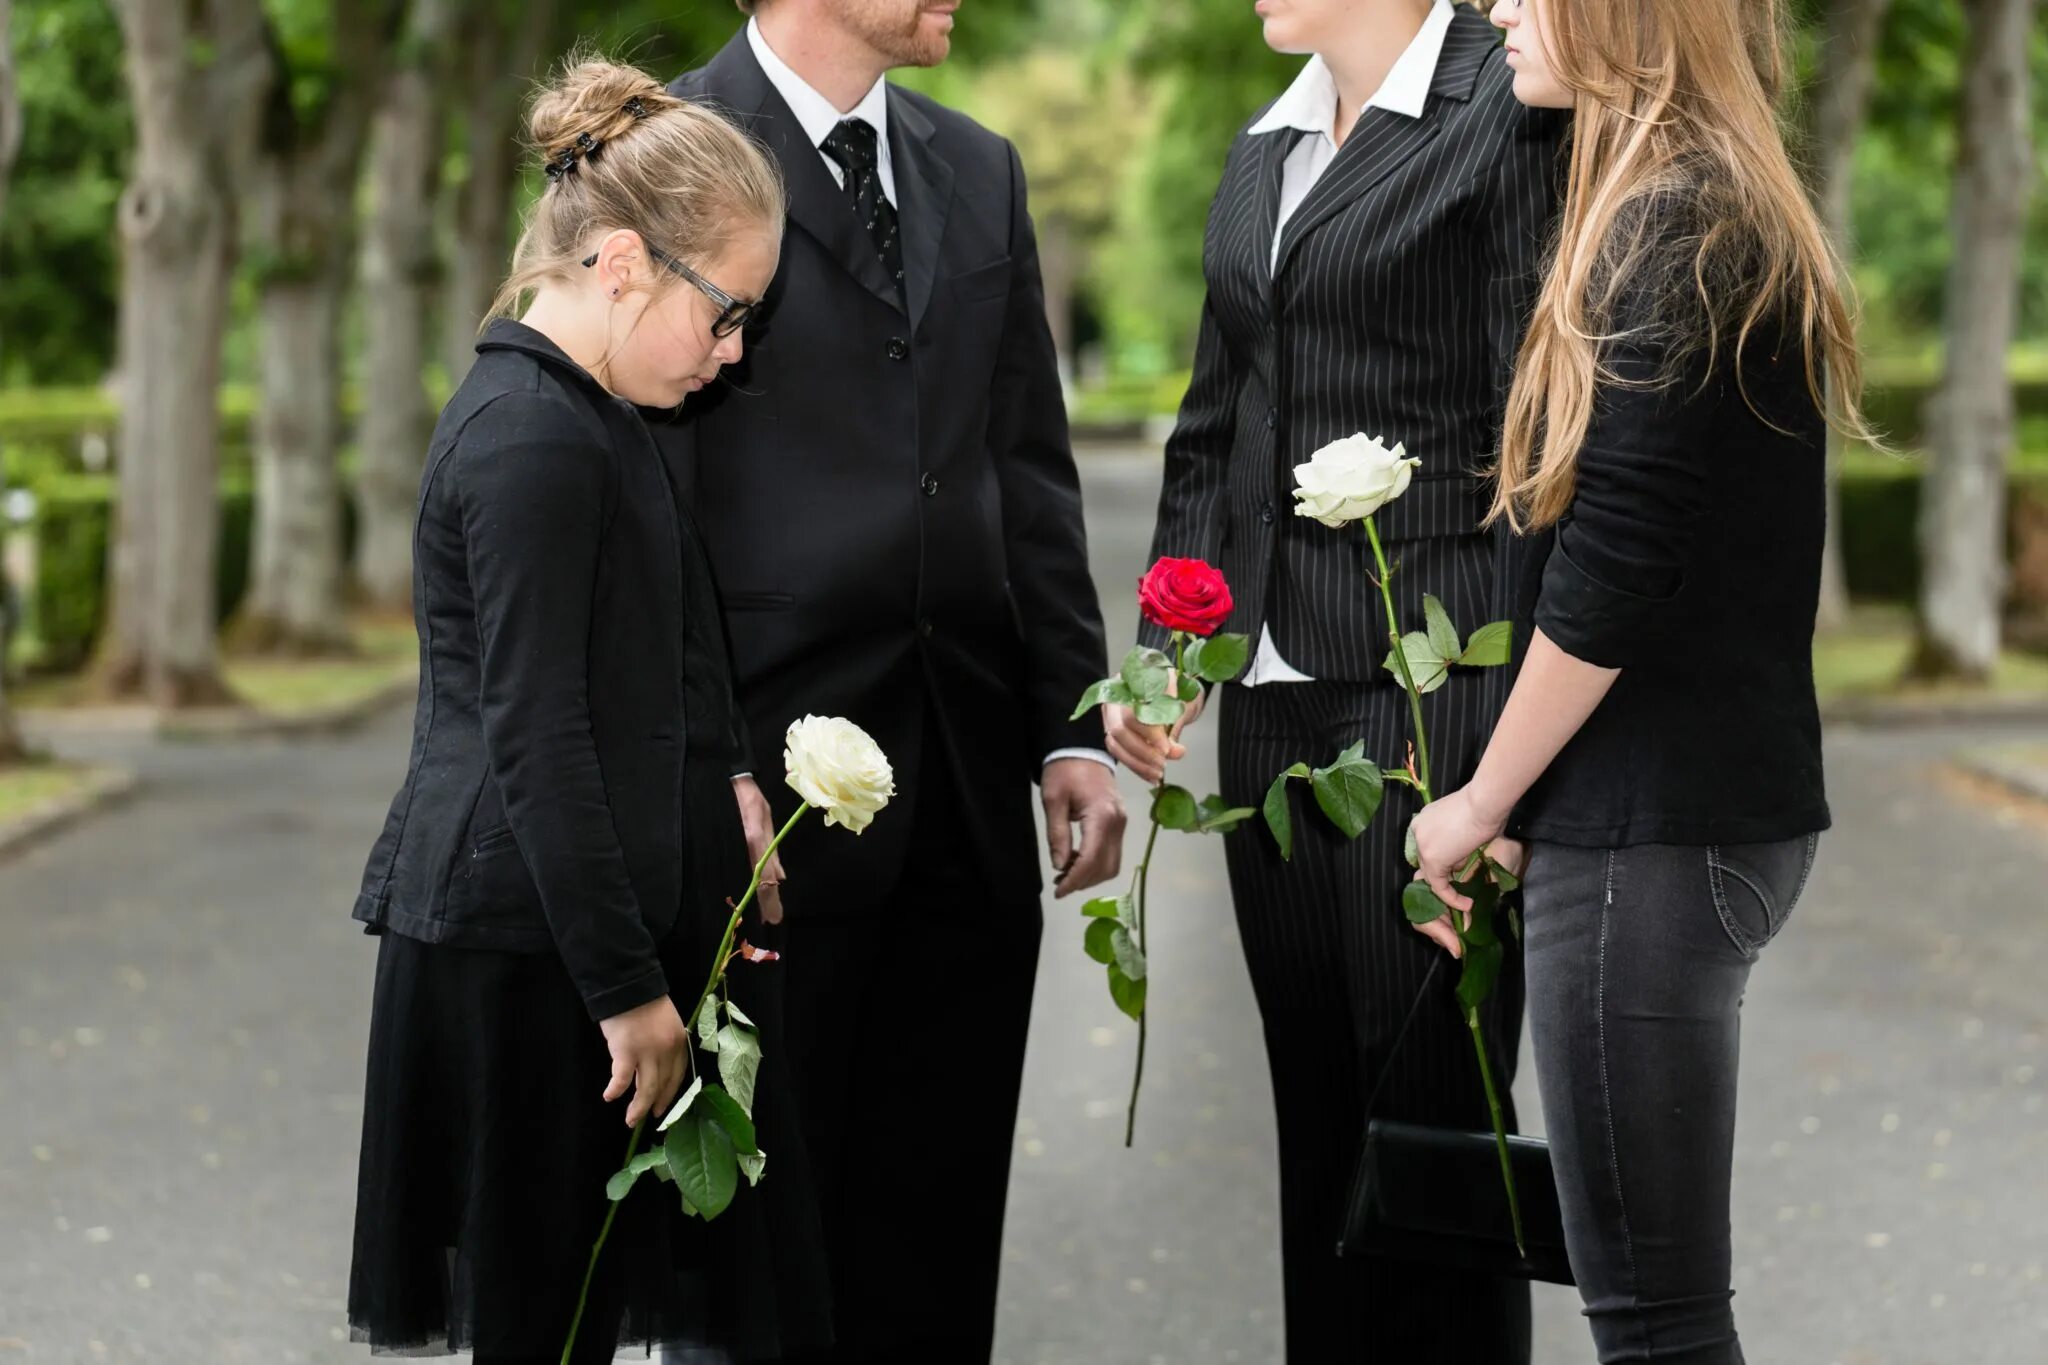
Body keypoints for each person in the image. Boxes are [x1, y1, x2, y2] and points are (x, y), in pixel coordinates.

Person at [1408, 0, 1875, 1359]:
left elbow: (1613, 572)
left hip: (1647, 840)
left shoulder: (1671, 225)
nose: (1493, 6)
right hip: (1703, 818)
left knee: (1656, 1320)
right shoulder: (1715, 206)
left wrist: (1484, 802)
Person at [346, 60, 832, 1364]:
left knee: (593, 1312)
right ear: (622, 261)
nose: (733, 353)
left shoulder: (598, 417)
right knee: (546, 1321)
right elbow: (538, 734)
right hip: (533, 957)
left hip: (587, 934)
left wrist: (729, 778)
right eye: (727, 314)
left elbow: (664, 653)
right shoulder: (529, 440)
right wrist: (628, 991)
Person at [658, 4, 1124, 1361]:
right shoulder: (657, 153)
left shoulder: (981, 167)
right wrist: (709, 766)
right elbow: (641, 506)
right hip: (763, 819)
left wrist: (1070, 727)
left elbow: (1026, 468)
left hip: (968, 807)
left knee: (933, 1257)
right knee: (747, 1274)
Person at [1105, 1, 1566, 1358]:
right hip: (1274, 714)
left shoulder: (1510, 107)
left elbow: (1547, 452)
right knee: (1320, 1124)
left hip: (1439, 708)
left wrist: (1511, 772)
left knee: (1432, 1135)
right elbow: (1214, 430)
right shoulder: (1270, 142)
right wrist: (1172, 646)